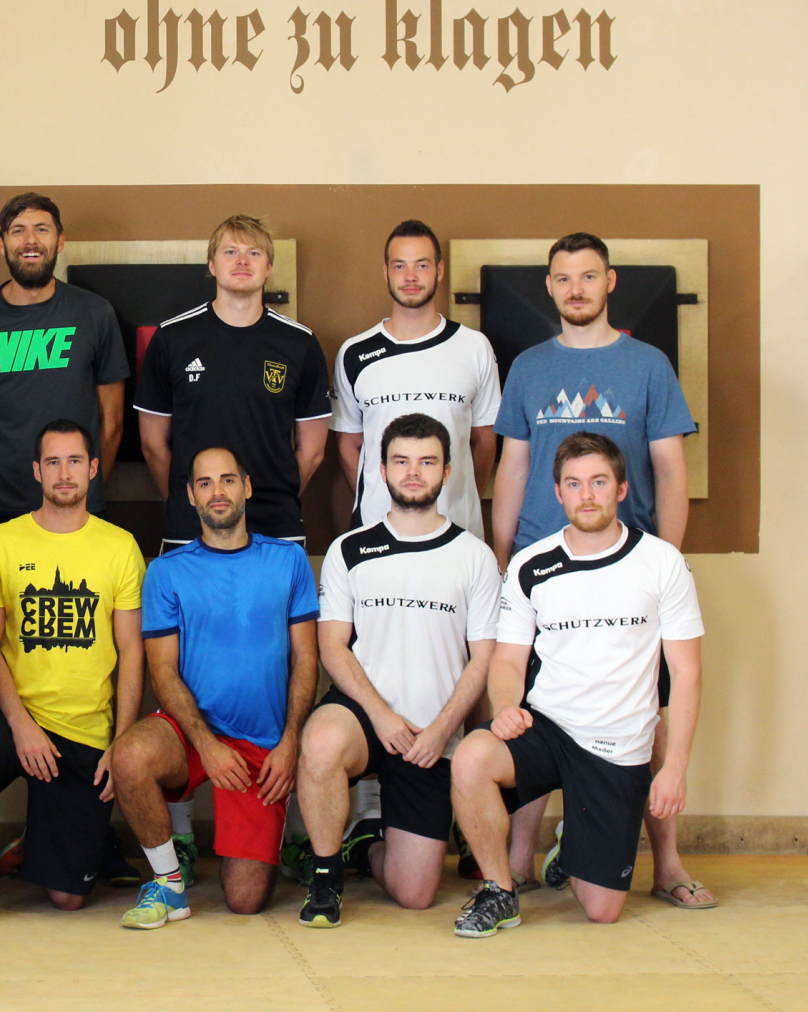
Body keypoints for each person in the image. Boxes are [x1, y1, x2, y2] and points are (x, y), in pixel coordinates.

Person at [490, 232, 709, 906]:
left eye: (588, 276)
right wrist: (503, 556)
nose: (576, 288)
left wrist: (665, 560)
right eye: (563, 278)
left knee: (649, 717)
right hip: (546, 569)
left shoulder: (648, 365)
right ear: (549, 287)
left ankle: (667, 864)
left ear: (609, 282)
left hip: (627, 565)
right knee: (528, 714)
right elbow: (513, 467)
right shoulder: (528, 367)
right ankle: (519, 858)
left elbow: (671, 469)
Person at [451, 432, 703, 936]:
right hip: (548, 728)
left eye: (599, 482)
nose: (586, 495)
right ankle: (499, 891)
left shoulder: (662, 563)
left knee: (601, 910)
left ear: (622, 489)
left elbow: (687, 672)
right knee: (471, 757)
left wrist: (674, 768)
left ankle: (578, 845)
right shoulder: (531, 564)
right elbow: (508, 659)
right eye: (573, 483)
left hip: (617, 745)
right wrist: (506, 705)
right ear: (558, 493)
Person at [133, 214, 327, 866]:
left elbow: (311, 447)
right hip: (192, 530)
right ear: (211, 265)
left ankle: (287, 826)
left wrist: (259, 499)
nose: (242, 262)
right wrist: (199, 505)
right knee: (185, 667)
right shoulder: (173, 339)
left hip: (275, 526)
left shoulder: (298, 344)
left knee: (278, 667)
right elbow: (155, 444)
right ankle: (181, 830)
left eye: (254, 253)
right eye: (230, 252)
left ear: (268, 267)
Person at [0, 419, 145, 931]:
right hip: (14, 715)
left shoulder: (120, 546)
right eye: (53, 462)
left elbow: (132, 651)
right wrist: (20, 722)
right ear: (36, 471)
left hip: (83, 726)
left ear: (93, 469)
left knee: (67, 899)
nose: (64, 473)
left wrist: (121, 743)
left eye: (74, 461)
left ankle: (37, 843)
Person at [295, 413, 500, 928]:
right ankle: (325, 878)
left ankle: (364, 847)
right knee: (320, 741)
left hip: (431, 730)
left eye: (427, 462)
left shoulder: (475, 557)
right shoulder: (350, 549)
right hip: (365, 713)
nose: (413, 472)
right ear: (381, 470)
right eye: (401, 461)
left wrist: (443, 730)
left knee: (415, 894)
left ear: (447, 471)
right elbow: (332, 647)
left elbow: (483, 659)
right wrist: (381, 715)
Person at [108, 445, 319, 928]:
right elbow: (163, 671)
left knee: (245, 900)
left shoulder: (288, 560)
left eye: (227, 480)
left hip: (261, 743)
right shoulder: (166, 571)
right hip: (191, 735)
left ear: (247, 487)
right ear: (190, 495)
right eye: (204, 483)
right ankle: (168, 886)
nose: (217, 492)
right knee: (130, 756)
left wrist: (290, 742)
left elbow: (307, 657)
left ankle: (283, 838)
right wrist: (206, 743)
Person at [0, 192, 130, 552]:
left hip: (77, 510)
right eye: (18, 231)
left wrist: (83, 490)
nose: (30, 241)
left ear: (60, 241)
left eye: (42, 229)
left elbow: (113, 421)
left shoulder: (95, 313)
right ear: (2, 244)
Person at [332, 220, 500, 539]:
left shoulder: (474, 347)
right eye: (400, 266)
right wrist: (381, 499)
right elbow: (348, 446)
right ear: (386, 272)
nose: (410, 276)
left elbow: (485, 442)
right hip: (378, 532)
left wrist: (461, 500)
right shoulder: (355, 353)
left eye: (421, 265)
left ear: (439, 270)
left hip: (458, 532)